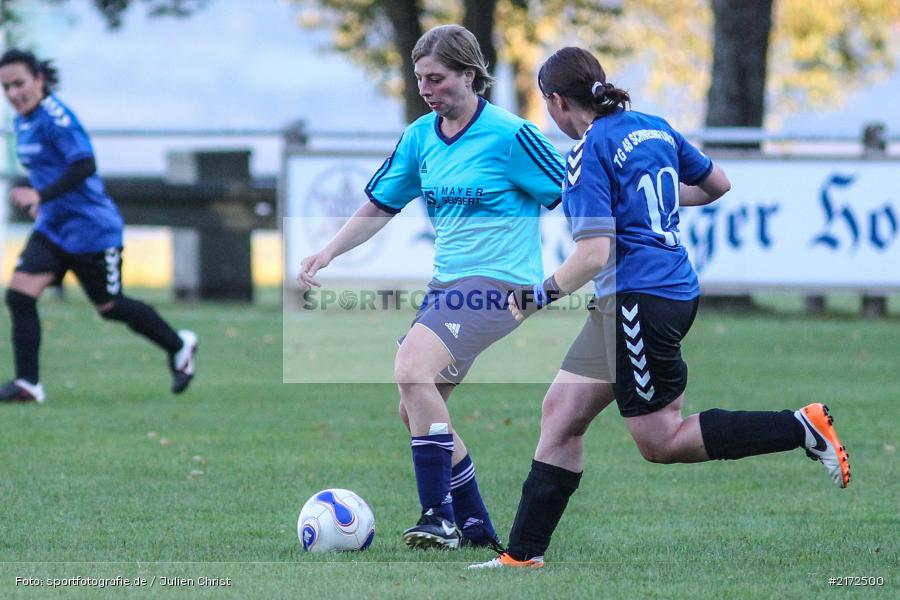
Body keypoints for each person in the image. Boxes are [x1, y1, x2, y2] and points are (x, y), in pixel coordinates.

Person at [469, 47, 851, 569]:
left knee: (661, 440)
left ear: (557, 102)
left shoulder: (586, 153)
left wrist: (536, 297)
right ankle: (522, 556)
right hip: (652, 292)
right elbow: (717, 184)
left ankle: (801, 426)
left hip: (638, 301)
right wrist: (656, 205)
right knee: (561, 413)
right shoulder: (653, 127)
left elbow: (592, 255)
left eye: (546, 103)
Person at [297, 25, 565, 550]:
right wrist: (328, 251)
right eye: (421, 78)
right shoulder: (420, 136)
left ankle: (437, 515)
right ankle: (475, 525)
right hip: (447, 286)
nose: (426, 88)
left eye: (437, 78)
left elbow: (576, 193)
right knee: (416, 405)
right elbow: (381, 204)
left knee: (410, 369)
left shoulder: (512, 135)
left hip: (501, 284)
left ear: (470, 75)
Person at [0, 49, 197, 403]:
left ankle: (180, 345)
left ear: (39, 81)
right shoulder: (22, 121)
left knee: (110, 306)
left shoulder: (56, 118)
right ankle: (28, 384)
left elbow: (84, 165)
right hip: (53, 229)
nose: (13, 93)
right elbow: (48, 167)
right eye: (6, 87)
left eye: (19, 84)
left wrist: (41, 195)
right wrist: (42, 203)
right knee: (18, 295)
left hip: (92, 232)